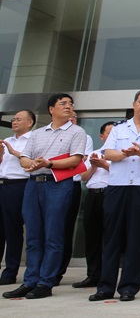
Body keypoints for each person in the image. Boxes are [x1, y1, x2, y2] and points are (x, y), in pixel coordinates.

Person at [2, 94, 86, 300]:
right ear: (51, 109)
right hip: (33, 185)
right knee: (33, 236)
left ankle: (45, 282)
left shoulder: (77, 132)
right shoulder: (38, 133)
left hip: (58, 185)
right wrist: (32, 164)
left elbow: (75, 160)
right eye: (63, 104)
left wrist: (48, 164)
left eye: (70, 104)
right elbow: (24, 159)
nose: (68, 107)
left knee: (53, 236)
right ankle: (30, 280)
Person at [89, 89, 140, 303]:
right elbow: (108, 153)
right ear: (134, 104)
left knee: (136, 238)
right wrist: (126, 152)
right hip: (117, 185)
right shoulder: (118, 128)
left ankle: (128, 287)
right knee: (112, 237)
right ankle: (105, 287)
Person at [72, 121, 113, 289]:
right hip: (93, 195)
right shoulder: (93, 154)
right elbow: (83, 177)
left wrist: (105, 165)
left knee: (109, 237)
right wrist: (95, 167)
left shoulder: (120, 155)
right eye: (108, 133)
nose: (111, 136)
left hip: (110, 195)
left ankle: (107, 275)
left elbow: (123, 175)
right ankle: (92, 275)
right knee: (92, 237)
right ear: (101, 136)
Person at [0, 110, 36, 286]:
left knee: (12, 229)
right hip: (2, 183)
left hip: (19, 185)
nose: (14, 122)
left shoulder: (33, 140)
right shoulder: (8, 140)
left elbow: (31, 163)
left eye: (19, 119)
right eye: (13, 119)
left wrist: (14, 152)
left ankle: (10, 271)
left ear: (30, 122)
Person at [58, 112, 94, 285]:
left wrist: (61, 164)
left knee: (64, 229)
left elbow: (81, 167)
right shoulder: (50, 136)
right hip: (49, 185)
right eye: (67, 118)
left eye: (73, 119)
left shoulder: (84, 138)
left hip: (70, 185)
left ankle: (57, 271)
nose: (70, 121)